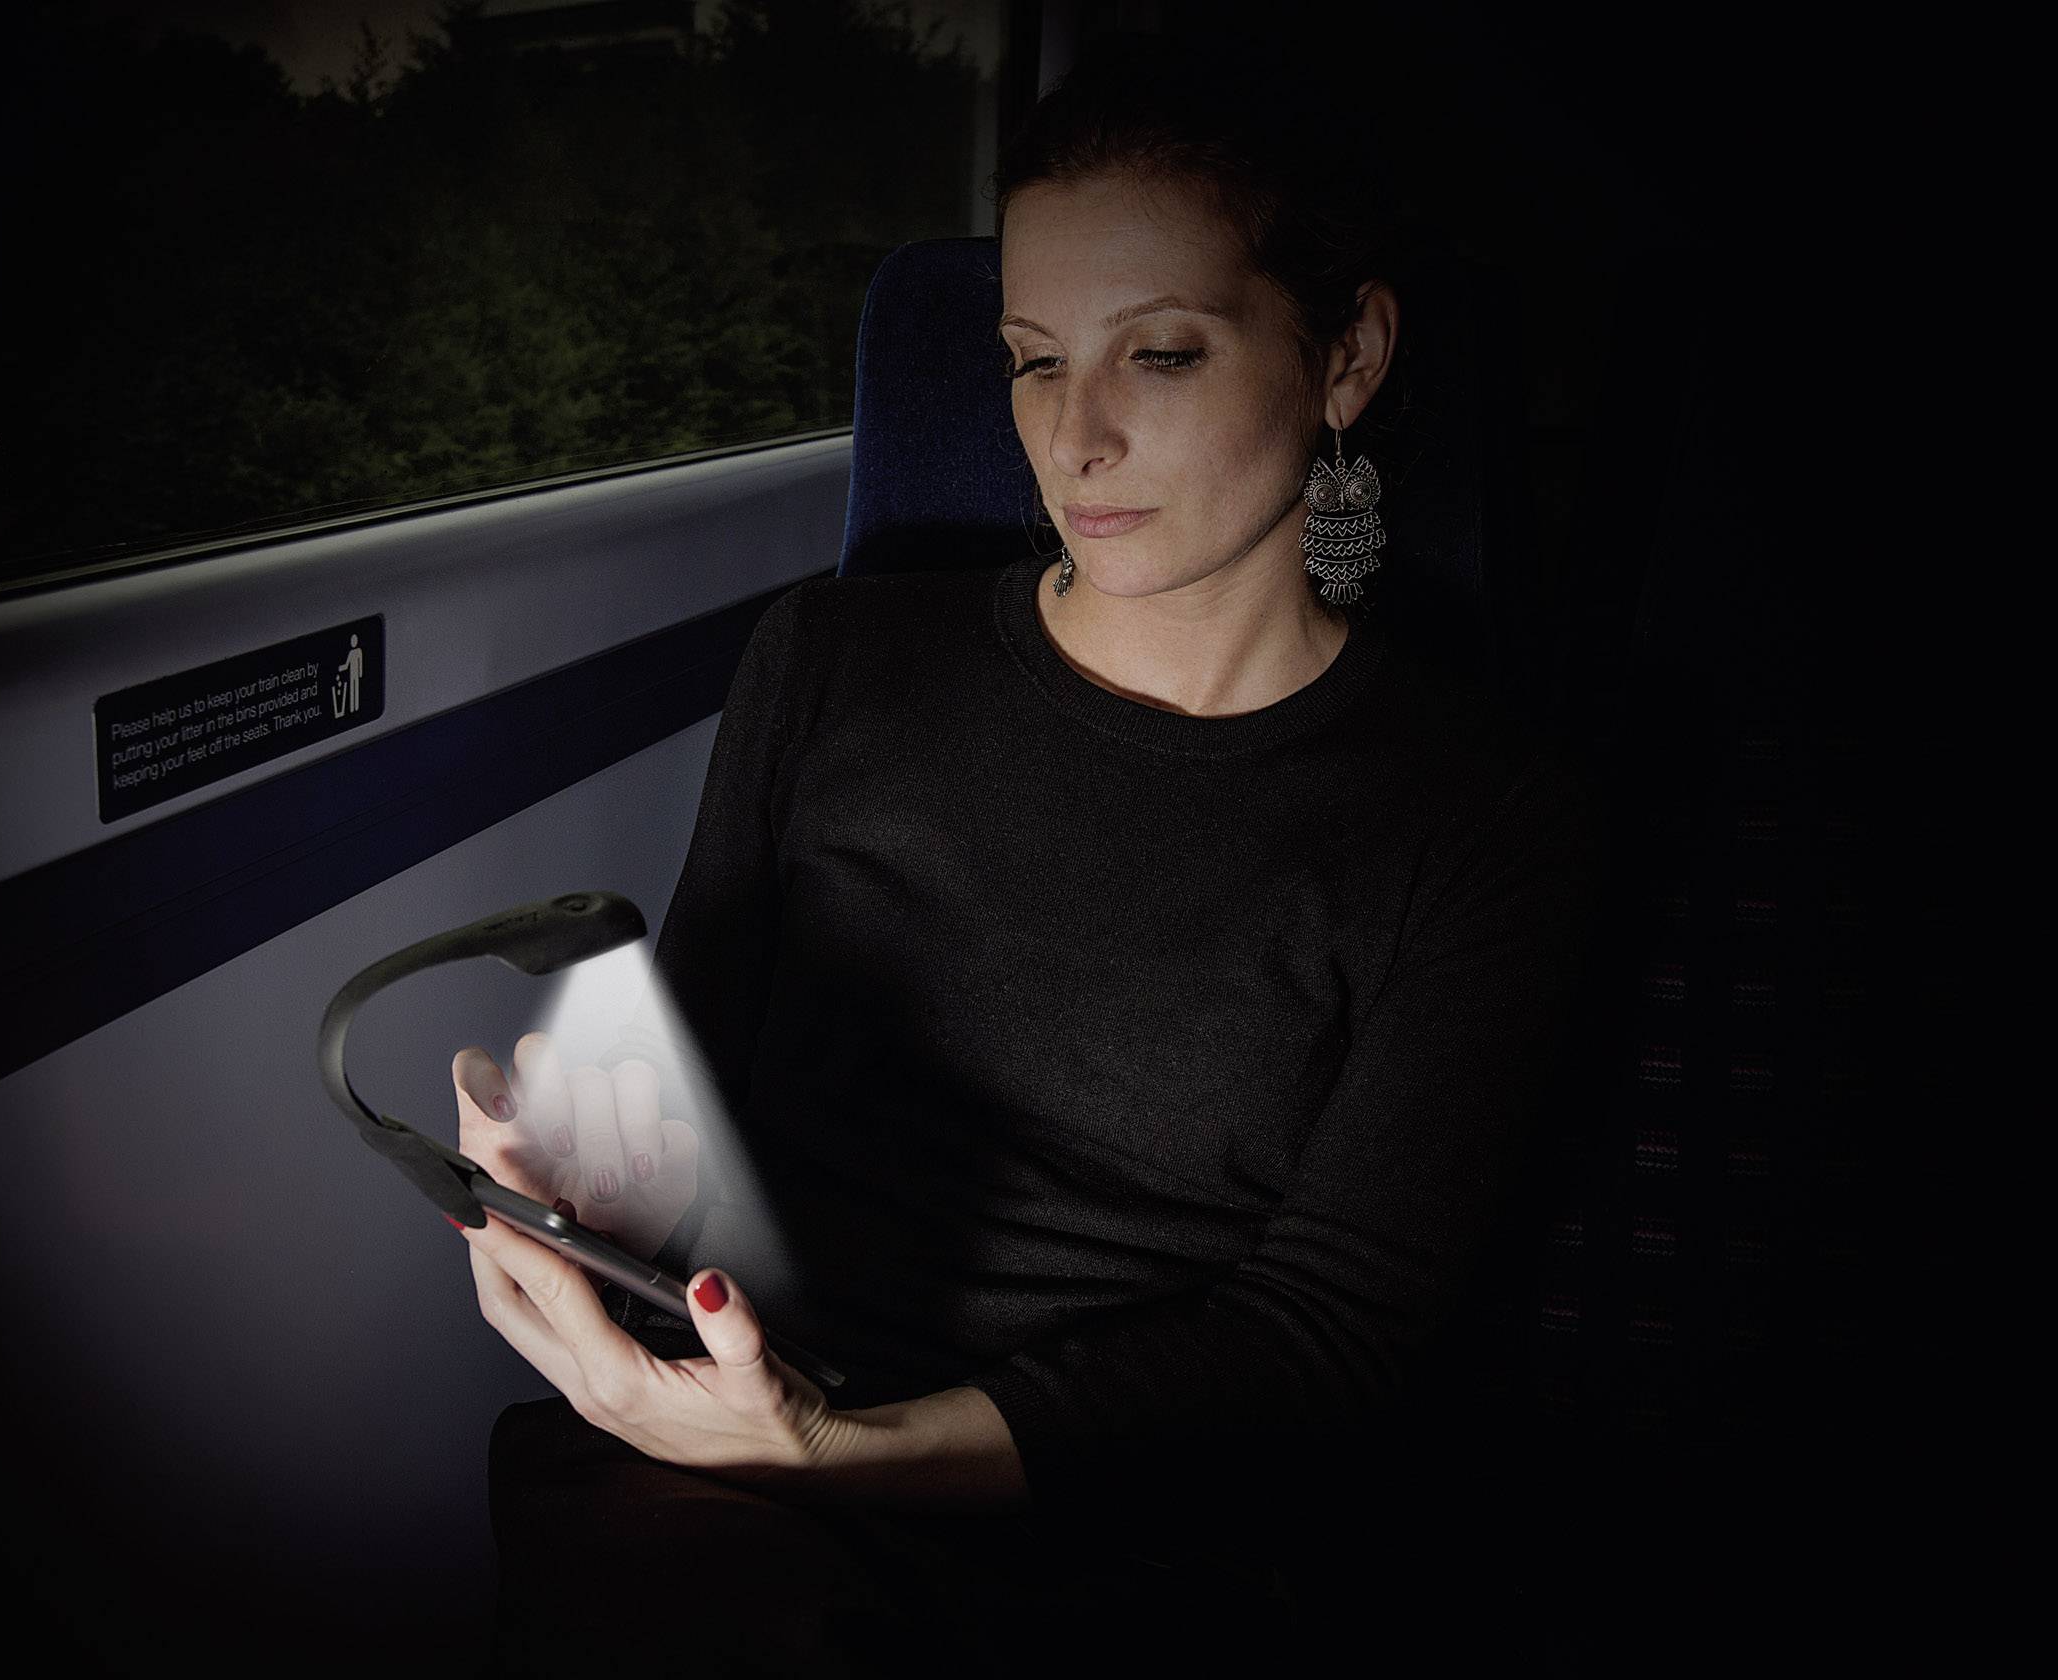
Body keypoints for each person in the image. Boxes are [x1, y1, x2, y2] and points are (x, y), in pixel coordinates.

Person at [441, 34, 1609, 1677]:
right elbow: (693, 1113)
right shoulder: (832, 658)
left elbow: (1321, 1341)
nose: (1076, 438)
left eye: (1167, 356)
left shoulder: (1480, 814)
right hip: (723, 1478)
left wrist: (847, 1447)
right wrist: (580, 1175)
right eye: (1030, 360)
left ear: (1348, 357)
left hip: (1132, 1525)